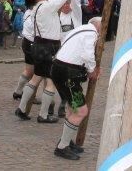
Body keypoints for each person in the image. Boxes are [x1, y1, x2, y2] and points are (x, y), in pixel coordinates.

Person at [16, 0, 75, 123]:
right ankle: (43, 115)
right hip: (48, 47)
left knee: (36, 78)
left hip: (39, 45)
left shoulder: (37, 8)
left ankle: (21, 109)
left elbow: (57, 0)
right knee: (50, 81)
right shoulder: (46, 6)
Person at [49, 17, 102, 160]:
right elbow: (87, 54)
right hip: (68, 74)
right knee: (81, 111)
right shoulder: (91, 33)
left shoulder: (79, 30)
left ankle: (67, 140)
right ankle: (62, 147)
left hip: (59, 69)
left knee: (72, 108)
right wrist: (92, 70)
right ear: (98, 26)